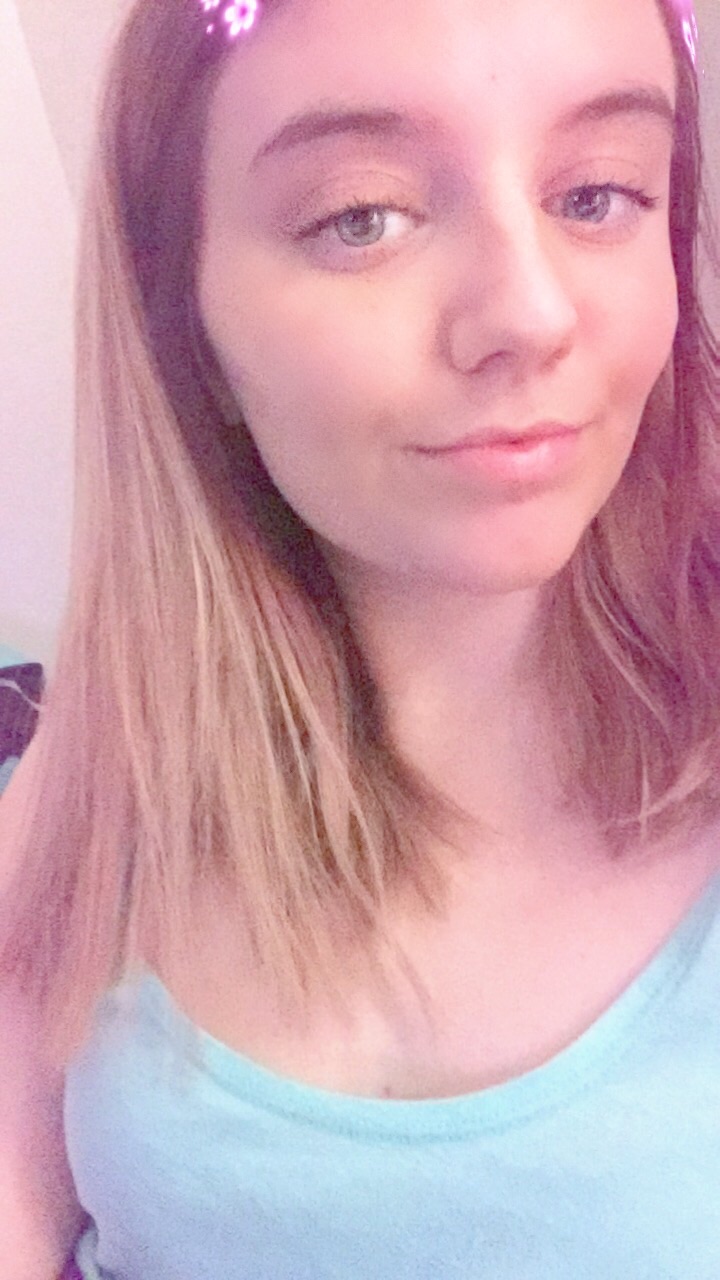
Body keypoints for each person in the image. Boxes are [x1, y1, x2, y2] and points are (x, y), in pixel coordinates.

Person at [1, 0, 719, 1274]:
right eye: (362, 216)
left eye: (598, 194)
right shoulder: (101, 773)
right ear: (187, 326)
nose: (529, 313)